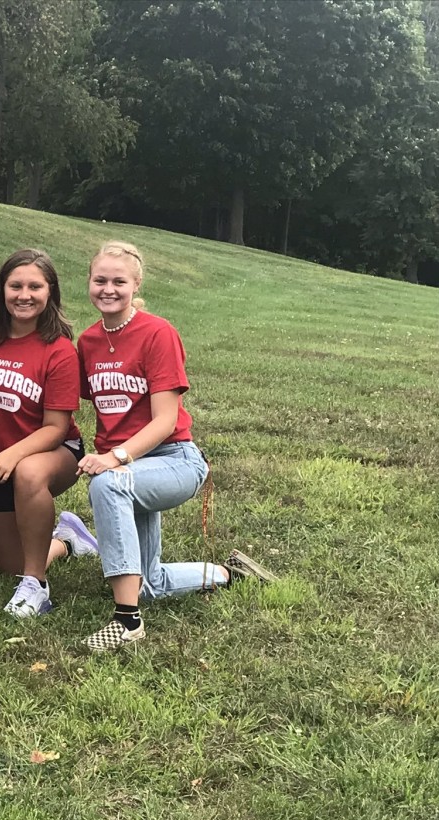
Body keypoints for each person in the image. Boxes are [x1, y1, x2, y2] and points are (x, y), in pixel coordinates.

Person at [75, 241, 275, 652]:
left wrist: (114, 458)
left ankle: (127, 622)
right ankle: (227, 573)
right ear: (89, 283)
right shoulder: (89, 342)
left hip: (174, 461)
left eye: (119, 281)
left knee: (107, 485)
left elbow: (166, 421)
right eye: (100, 280)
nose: (108, 288)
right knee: (149, 585)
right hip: (132, 468)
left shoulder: (157, 333)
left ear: (136, 284)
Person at [0, 249, 82, 619]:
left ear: (50, 293)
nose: (24, 295)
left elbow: (56, 428)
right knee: (8, 565)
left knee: (28, 473)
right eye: (16, 285)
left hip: (54, 453)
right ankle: (67, 539)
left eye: (35, 286)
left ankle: (36, 586)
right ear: (2, 290)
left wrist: (12, 457)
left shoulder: (58, 350)